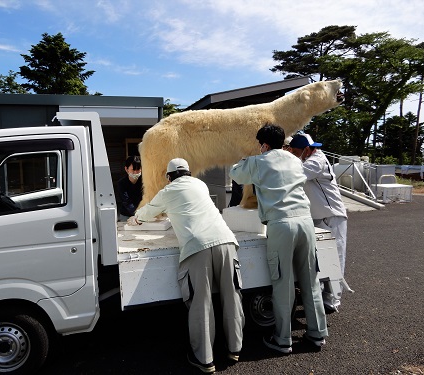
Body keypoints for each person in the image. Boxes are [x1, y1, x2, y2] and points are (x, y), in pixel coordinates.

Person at [128, 158, 244, 373]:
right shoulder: (201, 185)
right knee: (232, 295)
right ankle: (235, 349)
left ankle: (205, 359)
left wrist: (136, 218)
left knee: (201, 302)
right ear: (189, 173)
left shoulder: (168, 191)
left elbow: (147, 212)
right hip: (226, 241)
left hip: (197, 247)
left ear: (169, 177)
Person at [230, 124, 328, 354]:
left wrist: (246, 158)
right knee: (310, 280)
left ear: (263, 144)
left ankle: (283, 339)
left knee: (283, 283)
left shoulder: (259, 161)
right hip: (305, 222)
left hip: (281, 225)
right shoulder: (294, 160)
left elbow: (235, 173)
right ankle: (316, 334)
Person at [289, 134, 348, 277]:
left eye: (296, 153)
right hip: (320, 217)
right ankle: (326, 296)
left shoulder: (317, 161)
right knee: (321, 259)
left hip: (331, 217)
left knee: (334, 258)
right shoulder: (310, 159)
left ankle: (334, 299)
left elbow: (293, 175)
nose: (296, 156)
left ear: (307, 149)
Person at [117, 155, 143, 222]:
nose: (135, 172)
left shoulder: (144, 181)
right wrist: (136, 214)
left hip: (142, 214)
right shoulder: (121, 183)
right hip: (126, 215)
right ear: (126, 169)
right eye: (133, 170)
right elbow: (126, 201)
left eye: (138, 170)